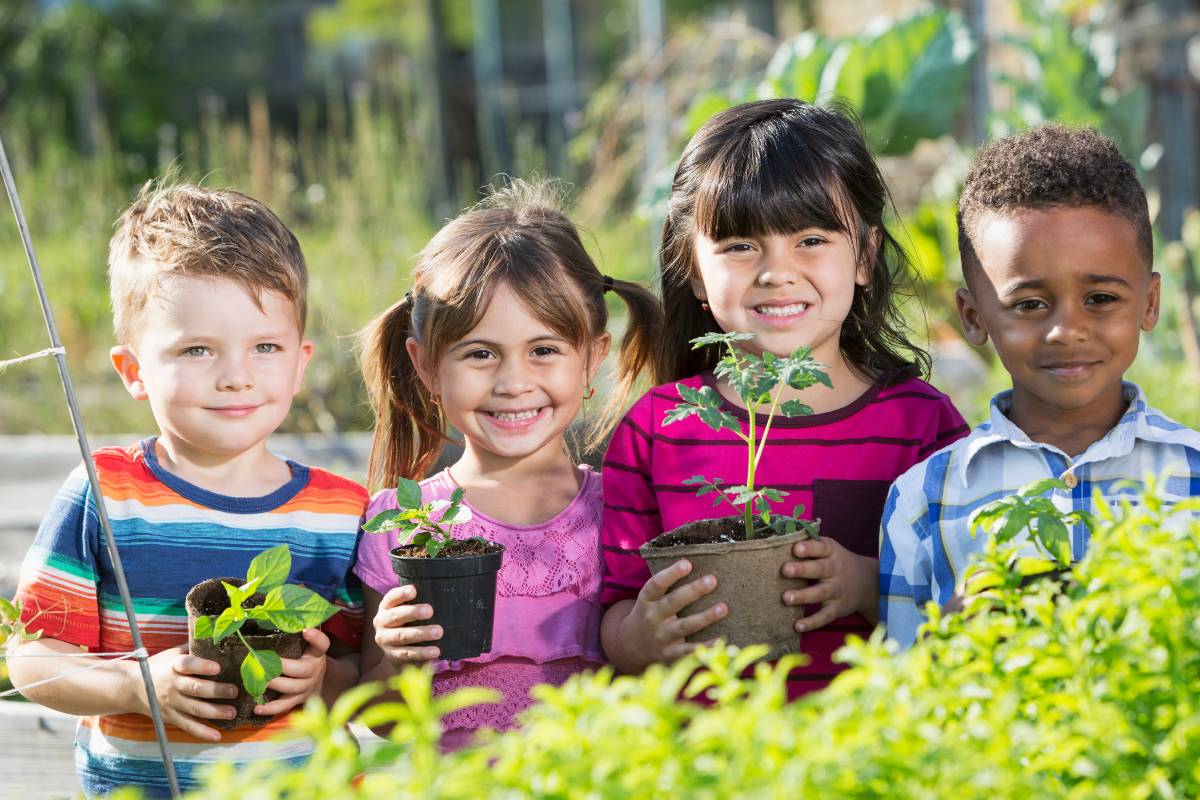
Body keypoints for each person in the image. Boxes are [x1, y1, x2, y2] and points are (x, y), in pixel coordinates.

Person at [599, 98, 969, 695]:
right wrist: (640, 639)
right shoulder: (656, 428)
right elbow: (611, 615)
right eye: (740, 245)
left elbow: (966, 608)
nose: (776, 271)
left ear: (866, 256)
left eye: (812, 239)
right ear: (693, 268)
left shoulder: (921, 426)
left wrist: (869, 585)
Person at [9, 182, 367, 797]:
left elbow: (367, 673)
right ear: (133, 371)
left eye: (265, 348)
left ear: (300, 362)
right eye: (196, 349)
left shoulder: (338, 512)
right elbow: (33, 661)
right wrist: (136, 686)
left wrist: (321, 679)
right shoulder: (106, 493)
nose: (236, 377)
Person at [355, 178, 662, 749]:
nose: (514, 383)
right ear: (425, 367)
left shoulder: (626, 510)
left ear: (594, 357)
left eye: (544, 350)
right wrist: (399, 662)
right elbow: (385, 720)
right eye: (480, 353)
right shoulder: (398, 526)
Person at [879, 124, 1200, 648]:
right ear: (973, 315)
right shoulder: (925, 499)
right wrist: (950, 645)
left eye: (1100, 298)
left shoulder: (1193, 474)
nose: (1066, 329)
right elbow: (901, 693)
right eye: (1029, 304)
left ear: (1149, 302)